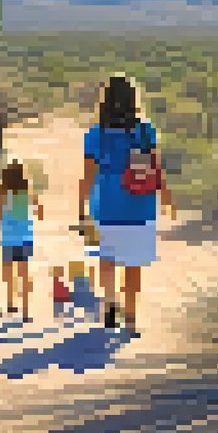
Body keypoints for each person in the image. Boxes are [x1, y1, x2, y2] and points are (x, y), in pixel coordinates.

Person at [77, 75, 177, 337]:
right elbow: (156, 167)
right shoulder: (144, 129)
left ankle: (110, 306)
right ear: (134, 99)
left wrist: (81, 207)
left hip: (105, 203)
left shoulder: (95, 133)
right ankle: (131, 320)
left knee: (106, 259)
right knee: (133, 265)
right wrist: (166, 197)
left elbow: (88, 174)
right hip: (139, 205)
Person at [0, 160, 45, 319]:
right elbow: (39, 211)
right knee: (24, 273)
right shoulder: (27, 192)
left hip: (8, 237)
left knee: (9, 273)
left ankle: (10, 303)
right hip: (24, 237)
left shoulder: (2, 192)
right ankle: (26, 309)